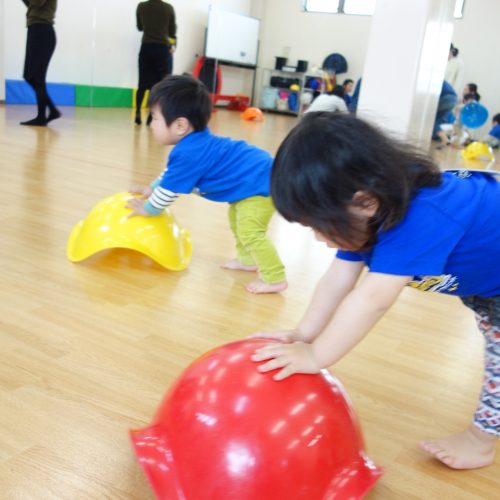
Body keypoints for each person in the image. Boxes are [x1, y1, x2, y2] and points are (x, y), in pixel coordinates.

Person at [250, 112, 500, 470]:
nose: (320, 238)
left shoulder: (421, 215)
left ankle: (480, 442)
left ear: (365, 201)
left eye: (320, 226)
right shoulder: (366, 211)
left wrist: (317, 356)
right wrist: (305, 334)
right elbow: (338, 279)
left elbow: (371, 300)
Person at [126, 75, 287, 294]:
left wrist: (148, 209)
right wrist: (153, 187)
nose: (151, 124)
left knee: (251, 231)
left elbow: (170, 191)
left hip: (261, 184)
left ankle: (275, 277)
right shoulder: (191, 146)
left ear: (181, 125)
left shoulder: (190, 152)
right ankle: (248, 259)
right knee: (237, 220)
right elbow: (171, 175)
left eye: (154, 118)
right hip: (252, 182)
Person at [135, 0, 177, 125]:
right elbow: (172, 32)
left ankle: (137, 112)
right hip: (162, 50)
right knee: (159, 86)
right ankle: (151, 115)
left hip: (146, 47)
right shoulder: (169, 8)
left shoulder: (141, 6)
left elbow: (139, 27)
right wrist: (173, 45)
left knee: (142, 83)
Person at [20, 0, 61, 126]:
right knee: (29, 76)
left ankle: (43, 116)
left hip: (42, 31)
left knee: (37, 78)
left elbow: (37, 3)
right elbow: (32, 5)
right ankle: (50, 111)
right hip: (35, 30)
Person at [433, 81, 457, 148]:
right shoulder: (444, 81)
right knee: (435, 120)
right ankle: (445, 140)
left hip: (446, 98)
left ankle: (444, 138)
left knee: (431, 118)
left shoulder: (436, 78)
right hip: (453, 99)